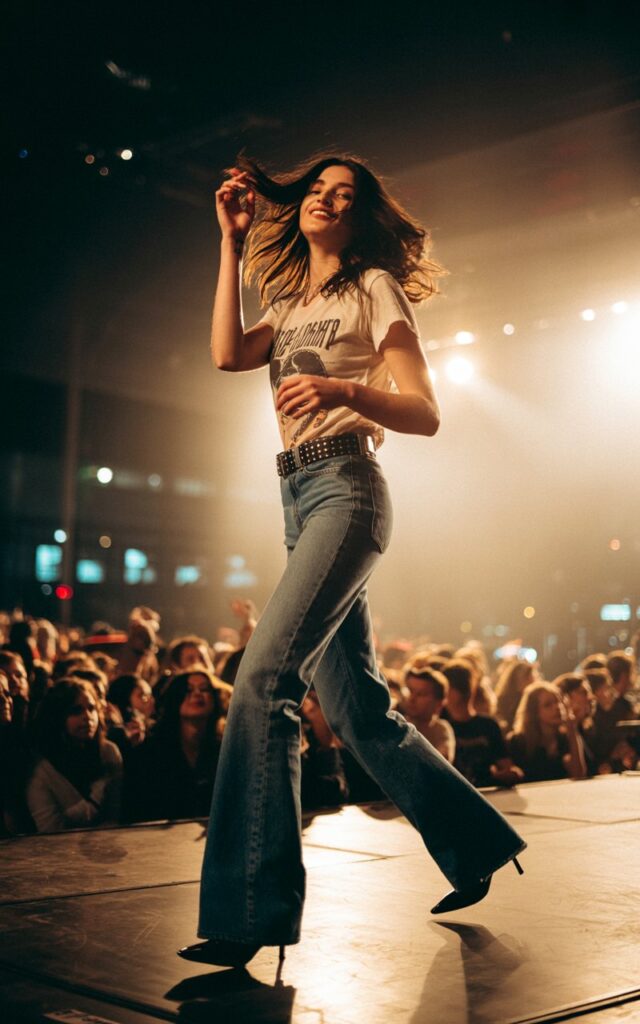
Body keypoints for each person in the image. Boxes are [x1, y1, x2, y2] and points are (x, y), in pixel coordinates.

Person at [179, 153, 526, 969]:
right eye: (318, 190)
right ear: (299, 205)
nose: (327, 201)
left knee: (264, 682)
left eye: (344, 195)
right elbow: (229, 355)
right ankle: (474, 841)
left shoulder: (374, 287)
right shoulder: (293, 298)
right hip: (298, 500)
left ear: (359, 216)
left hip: (348, 490)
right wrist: (229, 242)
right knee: (359, 711)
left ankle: (249, 912)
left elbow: (427, 412)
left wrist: (347, 393)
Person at [26, 678, 123, 832]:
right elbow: (51, 831)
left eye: (91, 708)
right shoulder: (42, 770)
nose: (87, 716)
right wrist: (102, 785)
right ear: (57, 717)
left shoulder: (108, 752)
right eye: (76, 711)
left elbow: (115, 815)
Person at [508, 682, 587, 782]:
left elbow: (578, 774)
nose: (557, 707)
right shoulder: (518, 741)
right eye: (548, 705)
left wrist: (572, 731)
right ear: (534, 712)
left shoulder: (564, 738)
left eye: (558, 701)